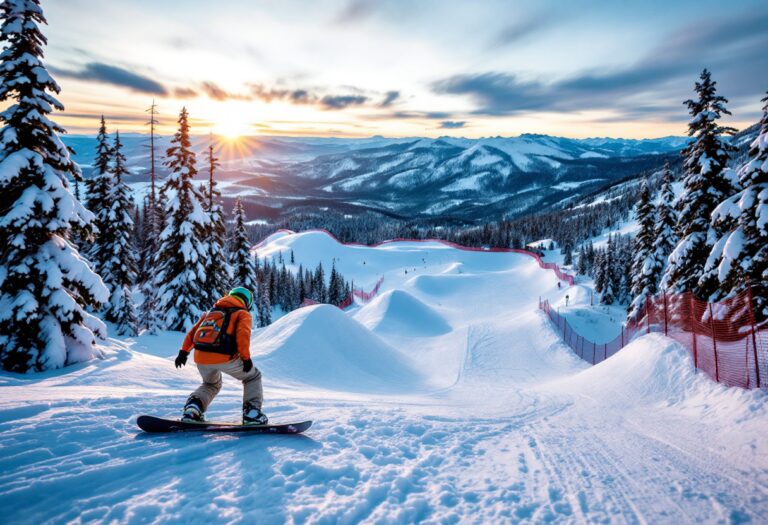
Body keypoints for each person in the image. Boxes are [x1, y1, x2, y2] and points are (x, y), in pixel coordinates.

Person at [174, 287, 268, 425]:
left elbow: (192, 333)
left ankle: (192, 409)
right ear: (247, 302)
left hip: (201, 357)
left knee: (210, 384)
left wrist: (183, 352)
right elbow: (243, 337)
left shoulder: (211, 313)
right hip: (224, 356)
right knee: (253, 377)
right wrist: (246, 358)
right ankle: (252, 414)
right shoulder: (242, 313)